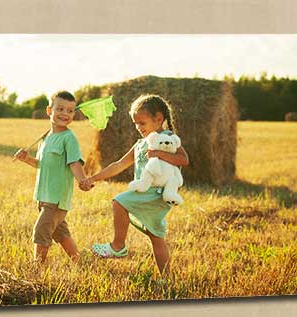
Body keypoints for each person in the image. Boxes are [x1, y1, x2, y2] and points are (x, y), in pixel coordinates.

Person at [84, 94, 189, 274]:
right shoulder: (140, 144)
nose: (138, 127)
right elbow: (118, 165)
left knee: (119, 202)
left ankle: (118, 246)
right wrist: (94, 178)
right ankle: (166, 278)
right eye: (135, 123)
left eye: (142, 123)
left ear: (158, 119)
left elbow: (183, 159)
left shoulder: (167, 138)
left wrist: (160, 154)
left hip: (156, 193)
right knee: (156, 238)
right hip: (147, 192)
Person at [13, 91, 91, 265]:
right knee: (60, 232)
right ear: (49, 110)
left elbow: (74, 163)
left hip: (56, 198)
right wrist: (27, 159)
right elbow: (42, 164)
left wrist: (82, 180)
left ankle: (37, 267)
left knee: (41, 230)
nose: (65, 114)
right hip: (44, 195)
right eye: (60, 109)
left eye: (70, 111)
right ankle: (79, 261)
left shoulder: (68, 138)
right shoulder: (46, 138)